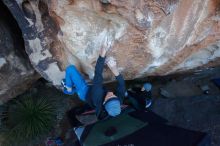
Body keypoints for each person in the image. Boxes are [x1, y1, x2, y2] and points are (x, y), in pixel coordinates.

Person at [61, 46, 126, 127]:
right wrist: (114, 68)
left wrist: (102, 55)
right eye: (114, 96)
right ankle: (73, 86)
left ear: (104, 102)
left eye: (109, 97)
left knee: (70, 69)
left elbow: (98, 74)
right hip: (94, 93)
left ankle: (69, 90)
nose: (111, 93)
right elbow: (122, 84)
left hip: (85, 92)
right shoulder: (118, 100)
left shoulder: (97, 96)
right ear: (118, 101)